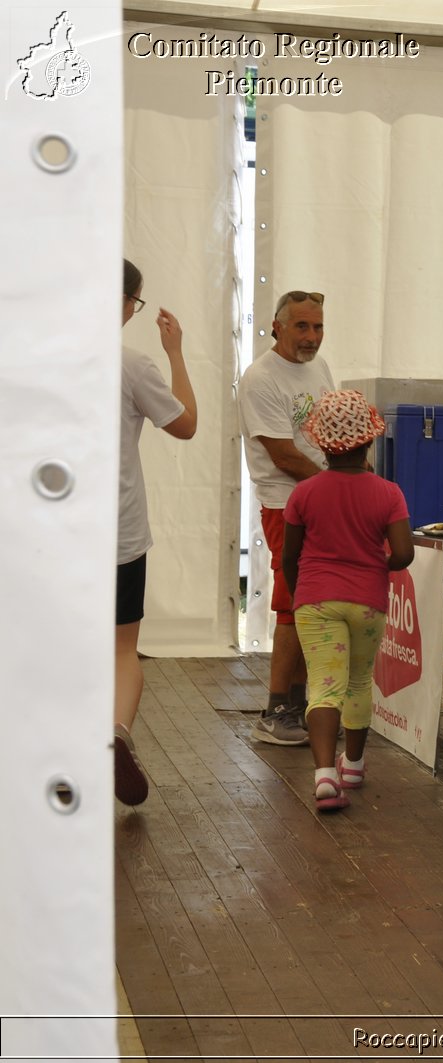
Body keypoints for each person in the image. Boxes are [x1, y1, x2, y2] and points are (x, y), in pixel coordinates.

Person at [280, 390, 413, 813]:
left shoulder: (303, 494)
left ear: (320, 443)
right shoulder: (389, 493)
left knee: (324, 684)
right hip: (367, 602)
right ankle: (353, 766)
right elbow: (405, 553)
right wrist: (379, 565)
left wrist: (304, 591)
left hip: (315, 601)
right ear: (369, 441)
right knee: (358, 681)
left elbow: (289, 556)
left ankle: (324, 776)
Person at [114, 259, 199, 805]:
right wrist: (175, 352)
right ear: (125, 304)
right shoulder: (129, 364)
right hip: (115, 533)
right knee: (122, 651)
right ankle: (114, 736)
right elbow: (186, 424)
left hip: (45, 535)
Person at [239, 290, 334, 746]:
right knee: (292, 605)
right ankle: (276, 711)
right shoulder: (260, 378)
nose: (311, 336)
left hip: (320, 499)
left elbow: (327, 429)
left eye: (317, 326)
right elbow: (283, 455)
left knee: (308, 604)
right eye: (302, 326)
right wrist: (341, 486)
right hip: (286, 505)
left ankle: (296, 705)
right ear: (276, 327)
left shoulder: (319, 368)